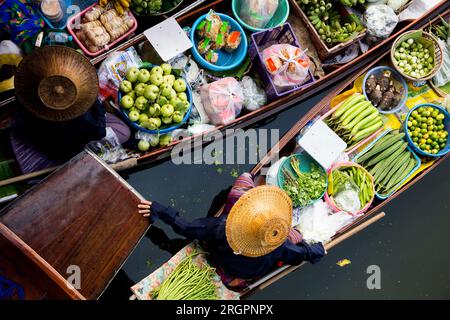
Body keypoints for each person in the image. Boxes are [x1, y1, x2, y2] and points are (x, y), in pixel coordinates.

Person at [138, 172, 325, 289]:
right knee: (296, 236)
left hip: (224, 261)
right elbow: (304, 254)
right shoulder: (279, 244)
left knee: (245, 177)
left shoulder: (221, 227)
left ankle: (250, 179)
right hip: (245, 274)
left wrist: (160, 210)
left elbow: (185, 227)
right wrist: (318, 250)